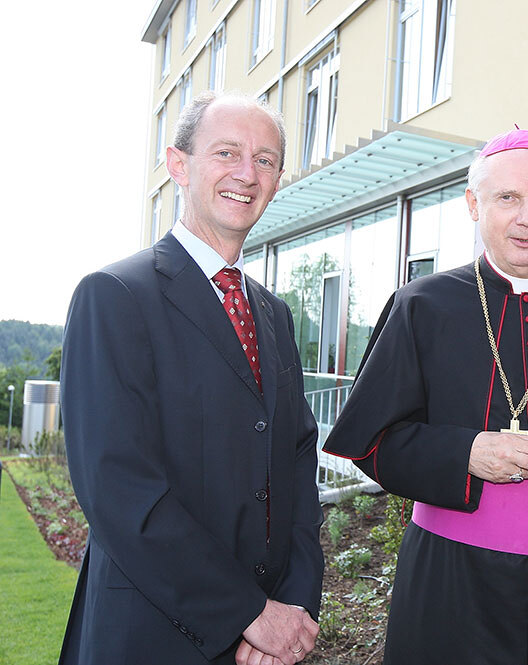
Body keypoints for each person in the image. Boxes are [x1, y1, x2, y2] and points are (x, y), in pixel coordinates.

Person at [323, 128, 528, 664]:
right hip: (451, 584)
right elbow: (371, 442)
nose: (527, 218)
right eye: (508, 198)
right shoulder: (420, 306)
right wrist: (463, 453)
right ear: (474, 204)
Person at [59, 91, 324, 665]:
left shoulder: (273, 314)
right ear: (179, 166)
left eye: (266, 160)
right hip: (150, 635)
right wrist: (247, 614)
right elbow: (118, 488)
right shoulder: (115, 296)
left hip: (266, 639)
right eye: (226, 153)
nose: (246, 174)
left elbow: (298, 463)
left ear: (277, 181)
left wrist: (296, 606)